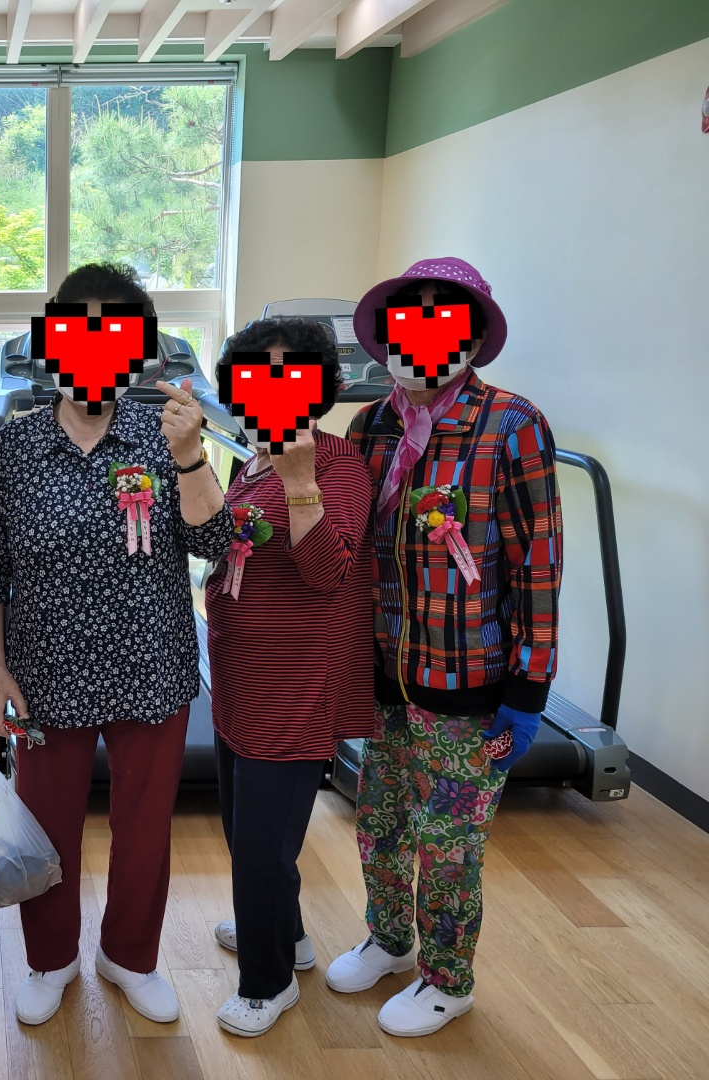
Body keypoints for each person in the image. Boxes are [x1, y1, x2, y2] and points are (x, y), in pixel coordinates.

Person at [0, 262, 237, 1028]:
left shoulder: (165, 437)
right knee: (47, 826)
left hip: (150, 668)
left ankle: (130, 957)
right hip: (44, 672)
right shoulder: (17, 447)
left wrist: (191, 456)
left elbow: (214, 542)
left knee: (144, 828)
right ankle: (50, 959)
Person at [328, 258, 563, 1036]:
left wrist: (528, 688)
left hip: (471, 687)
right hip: (387, 674)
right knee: (380, 823)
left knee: (450, 844)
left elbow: (538, 564)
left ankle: (448, 978)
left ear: (470, 336)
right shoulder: (371, 426)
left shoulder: (511, 425)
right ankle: (390, 939)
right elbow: (353, 552)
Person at [190, 318, 376, 1036]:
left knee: (264, 848)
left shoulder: (336, 464)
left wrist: (302, 484)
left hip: (295, 685)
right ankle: (287, 935)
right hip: (240, 675)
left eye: (289, 374)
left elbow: (328, 572)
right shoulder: (255, 460)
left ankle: (267, 983)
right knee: (247, 831)